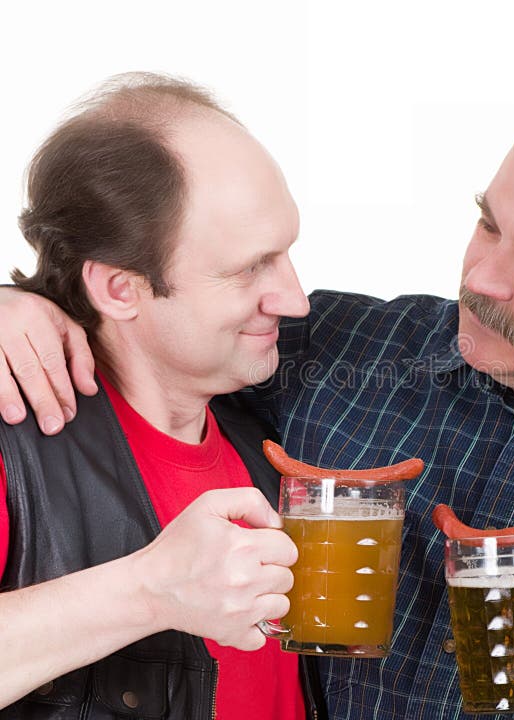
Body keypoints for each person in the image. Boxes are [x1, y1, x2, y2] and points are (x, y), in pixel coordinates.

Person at [2, 76, 514, 719]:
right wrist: (23, 303)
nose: (479, 280)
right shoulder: (339, 352)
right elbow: (154, 312)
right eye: (488, 225)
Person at [0, 73, 326, 719]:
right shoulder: (13, 438)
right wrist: (149, 591)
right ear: (121, 290)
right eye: (246, 269)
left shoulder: (273, 428)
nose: (295, 300)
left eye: (286, 252)